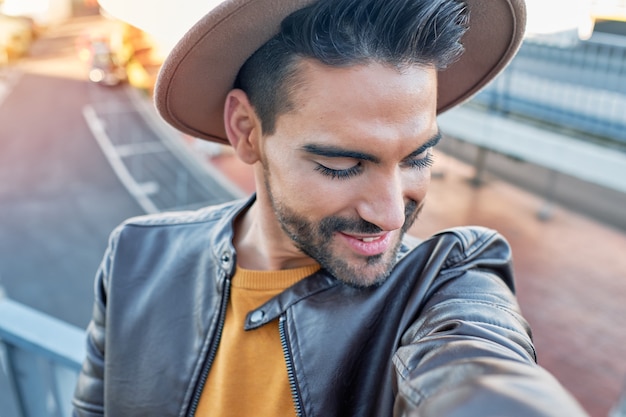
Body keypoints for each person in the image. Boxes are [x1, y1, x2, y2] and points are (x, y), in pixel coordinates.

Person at [72, 0, 590, 415]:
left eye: (418, 157)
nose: (389, 216)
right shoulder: (136, 256)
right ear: (247, 132)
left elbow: (477, 360)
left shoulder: (443, 286)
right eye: (342, 165)